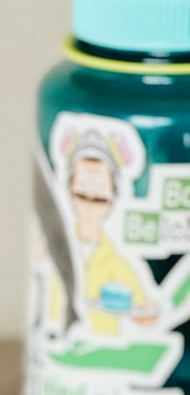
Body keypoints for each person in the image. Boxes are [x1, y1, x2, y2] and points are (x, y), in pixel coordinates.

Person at [67, 136, 158, 335]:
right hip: (60, 351)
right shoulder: (56, 248)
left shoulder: (117, 265)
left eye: (99, 200)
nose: (88, 207)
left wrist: (144, 313)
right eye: (81, 196)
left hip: (104, 354)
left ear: (112, 200)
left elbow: (146, 311)